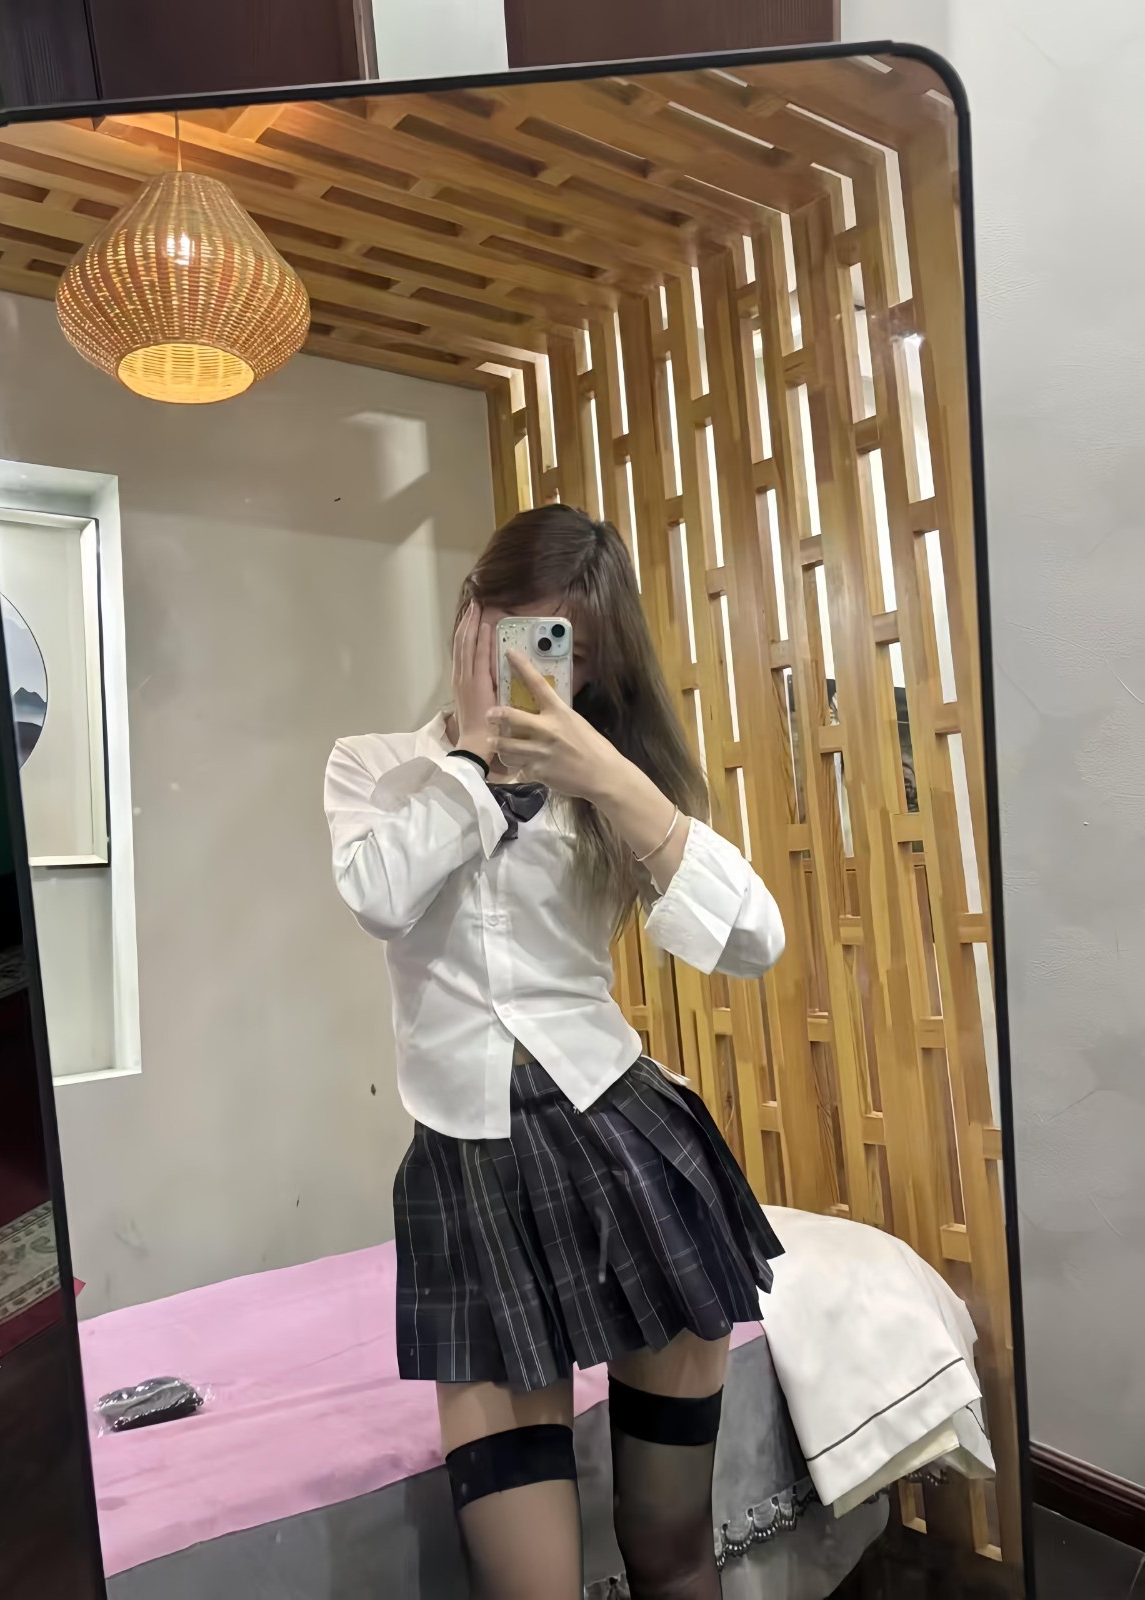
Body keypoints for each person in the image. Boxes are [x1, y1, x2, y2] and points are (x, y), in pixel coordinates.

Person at [325, 506, 786, 1600]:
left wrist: (607, 775)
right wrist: (475, 760)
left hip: (627, 1150)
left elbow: (753, 941)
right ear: (469, 616)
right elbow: (379, 895)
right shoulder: (375, 767)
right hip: (467, 1175)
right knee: (528, 1585)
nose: (534, 667)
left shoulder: (604, 785)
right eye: (515, 631)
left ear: (596, 666)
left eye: (563, 648)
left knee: (671, 1549)